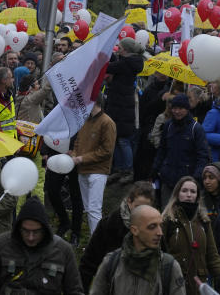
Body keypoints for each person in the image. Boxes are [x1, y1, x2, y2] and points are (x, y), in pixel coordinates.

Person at [0, 198, 83, 294]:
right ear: (18, 228)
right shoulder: (0, 245)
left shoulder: (63, 250)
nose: (30, 237)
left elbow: (75, 291)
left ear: (45, 230)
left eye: (36, 232)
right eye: (25, 231)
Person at [89, 204, 185, 295]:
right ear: (135, 230)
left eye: (160, 225)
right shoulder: (112, 263)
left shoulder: (169, 266)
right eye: (152, 227)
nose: (159, 232)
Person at [79, 181, 157, 288]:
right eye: (138, 207)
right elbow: (88, 263)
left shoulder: (156, 229)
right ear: (129, 201)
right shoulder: (108, 225)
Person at [160, 176, 220, 295]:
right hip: (175, 284)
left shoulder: (204, 221)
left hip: (198, 285)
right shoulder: (167, 220)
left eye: (193, 192)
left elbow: (213, 257)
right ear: (177, 194)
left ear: (197, 196)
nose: (189, 195)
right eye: (184, 191)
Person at [153, 95, 210, 207]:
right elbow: (162, 150)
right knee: (166, 213)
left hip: (186, 182)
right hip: (167, 179)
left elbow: (203, 156)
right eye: (174, 108)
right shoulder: (168, 126)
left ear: (187, 109)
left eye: (181, 108)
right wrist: (155, 169)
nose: (177, 111)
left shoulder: (196, 129)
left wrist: (196, 178)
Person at [70, 99, 117, 234]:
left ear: (94, 102)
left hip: (98, 171)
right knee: (89, 209)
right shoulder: (85, 120)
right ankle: (95, 241)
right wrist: (74, 154)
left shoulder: (107, 122)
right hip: (82, 169)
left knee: (94, 209)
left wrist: (81, 158)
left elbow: (107, 151)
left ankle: (97, 244)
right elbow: (78, 142)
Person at [105, 38, 146, 183]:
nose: (118, 49)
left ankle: (127, 170)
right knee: (117, 139)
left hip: (121, 106)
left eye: (120, 48)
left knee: (122, 140)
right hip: (120, 104)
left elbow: (108, 67)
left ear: (126, 50)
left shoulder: (126, 63)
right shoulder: (130, 62)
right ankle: (120, 169)